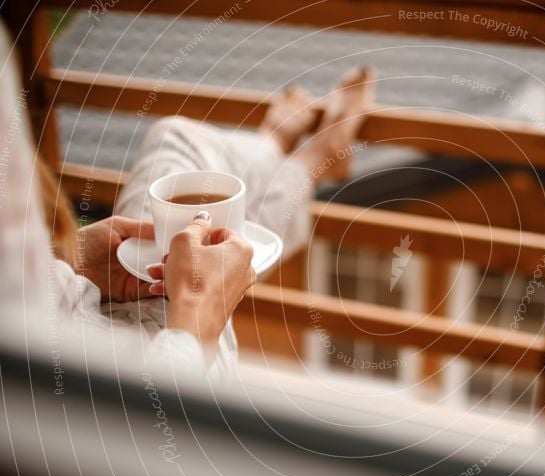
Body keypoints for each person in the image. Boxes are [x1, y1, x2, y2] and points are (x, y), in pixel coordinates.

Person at [1, 20, 373, 380]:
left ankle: (277, 148)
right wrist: (197, 317)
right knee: (200, 186)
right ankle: (311, 155)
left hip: (83, 307)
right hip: (166, 359)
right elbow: (136, 423)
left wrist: (72, 259)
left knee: (173, 135)